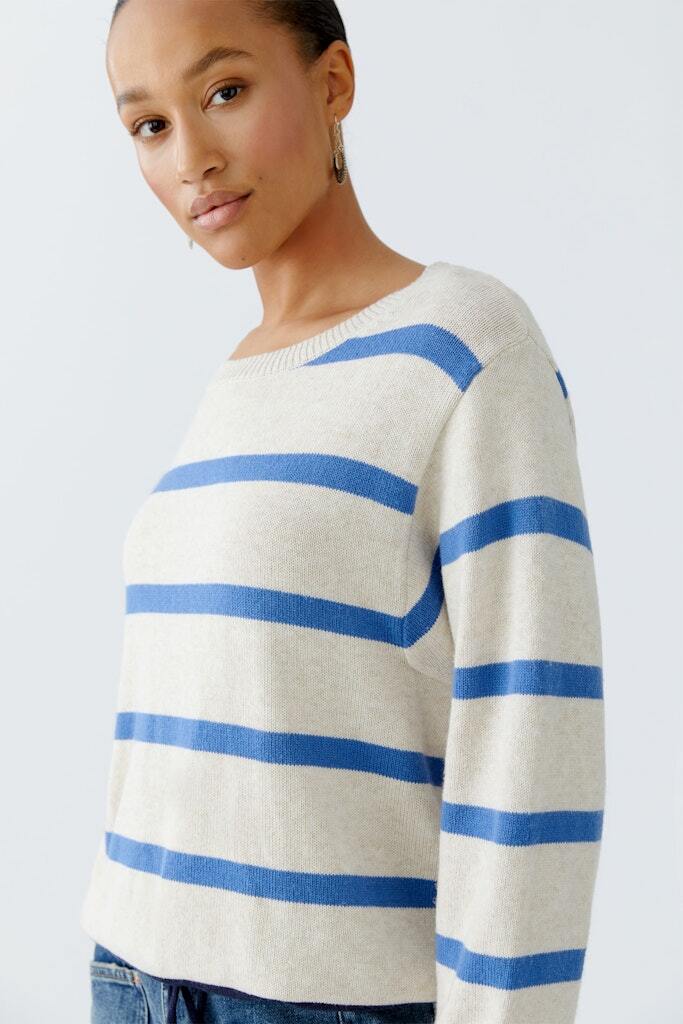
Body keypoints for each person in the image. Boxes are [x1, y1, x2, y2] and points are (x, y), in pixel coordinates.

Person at [80, 2, 606, 1023]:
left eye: (224, 91)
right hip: (132, 974)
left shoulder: (467, 346)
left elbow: (529, 741)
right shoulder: (239, 378)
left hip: (320, 1001)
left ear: (332, 84)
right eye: (149, 125)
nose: (190, 158)